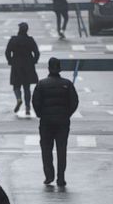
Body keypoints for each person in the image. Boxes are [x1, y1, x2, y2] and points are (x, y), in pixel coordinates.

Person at [31, 57, 79, 187]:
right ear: (60, 69)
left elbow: (35, 101)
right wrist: (67, 114)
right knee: (61, 149)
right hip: (62, 122)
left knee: (46, 149)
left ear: (48, 68)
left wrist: (41, 114)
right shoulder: (67, 84)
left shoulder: (41, 84)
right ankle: (61, 178)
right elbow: (74, 102)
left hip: (46, 122)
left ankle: (49, 175)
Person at [5, 22, 39, 115]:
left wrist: (10, 61)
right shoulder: (30, 40)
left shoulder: (13, 40)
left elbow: (7, 52)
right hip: (28, 65)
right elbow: (36, 52)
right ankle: (27, 106)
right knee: (27, 87)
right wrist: (34, 61)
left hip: (16, 64)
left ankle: (18, 98)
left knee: (16, 85)